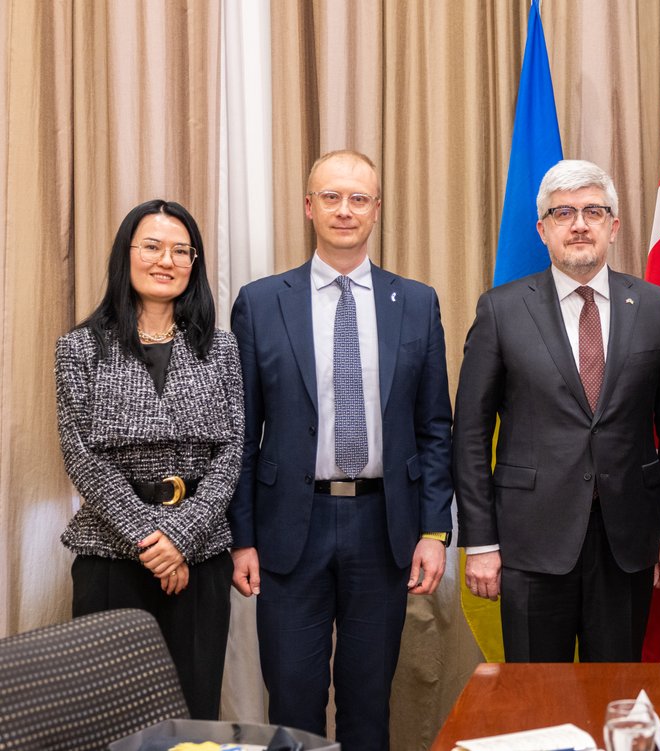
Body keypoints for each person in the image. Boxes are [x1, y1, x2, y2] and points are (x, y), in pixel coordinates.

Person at [229, 149, 453, 749]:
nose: (345, 210)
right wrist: (241, 538)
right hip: (288, 532)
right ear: (309, 207)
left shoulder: (418, 303)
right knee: (292, 704)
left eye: (358, 198)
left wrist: (434, 531)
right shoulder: (261, 303)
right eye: (331, 197)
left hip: (383, 529)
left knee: (368, 705)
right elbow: (240, 434)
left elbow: (435, 428)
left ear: (377, 209)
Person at [454, 159, 660, 662]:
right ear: (543, 230)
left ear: (613, 226)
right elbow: (470, 434)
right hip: (530, 542)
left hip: (627, 542)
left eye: (593, 211)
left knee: (616, 689)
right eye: (563, 213)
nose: (579, 224)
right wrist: (481, 542)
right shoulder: (500, 309)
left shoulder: (656, 307)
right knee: (537, 695)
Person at [56, 199, 242, 719]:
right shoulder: (79, 348)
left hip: (200, 557)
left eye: (182, 251)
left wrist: (180, 539)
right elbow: (81, 456)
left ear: (194, 263)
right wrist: (151, 542)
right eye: (153, 247)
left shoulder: (221, 349)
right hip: (110, 557)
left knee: (192, 717)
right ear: (126, 254)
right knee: (110, 718)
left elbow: (231, 454)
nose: (167, 260)